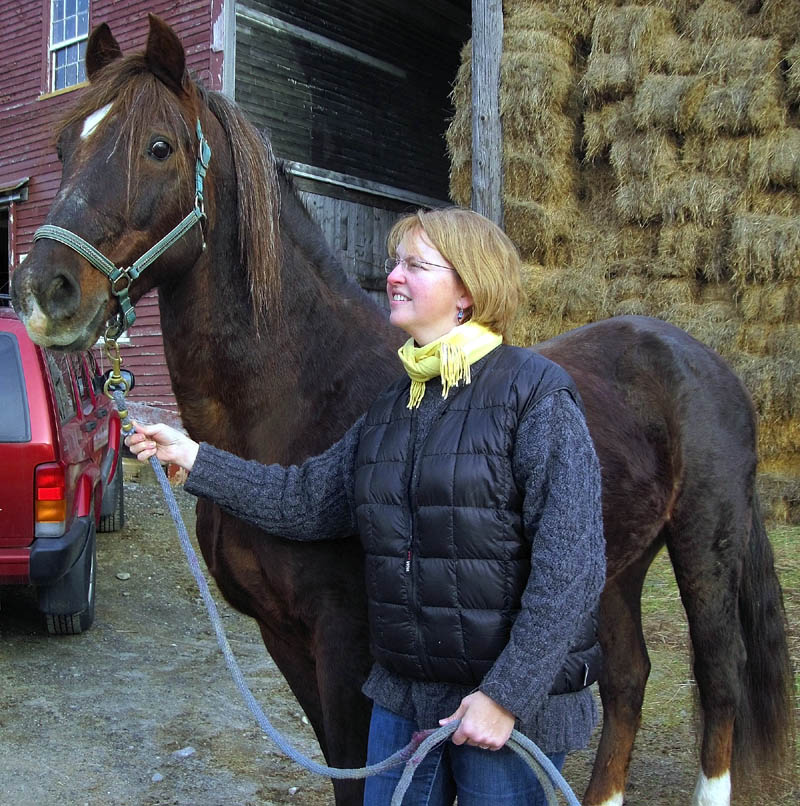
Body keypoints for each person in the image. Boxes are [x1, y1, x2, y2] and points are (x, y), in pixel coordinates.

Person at [126, 207, 606, 806]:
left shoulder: (534, 394)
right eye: (394, 263)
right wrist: (198, 459)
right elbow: (306, 501)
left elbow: (574, 565)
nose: (393, 277)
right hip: (405, 700)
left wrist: (507, 695)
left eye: (415, 265)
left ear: (468, 290)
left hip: (504, 713)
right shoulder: (393, 405)